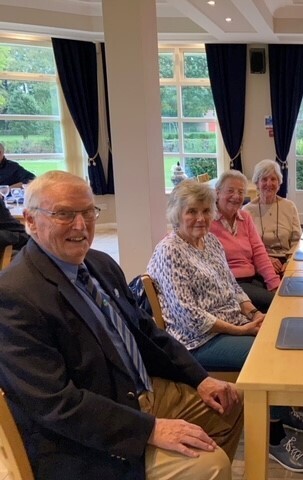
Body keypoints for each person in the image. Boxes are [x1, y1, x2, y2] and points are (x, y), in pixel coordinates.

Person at [0, 171, 243, 480]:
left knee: (230, 403)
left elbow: (146, 332)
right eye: (64, 214)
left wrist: (201, 379)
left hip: (141, 391)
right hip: (89, 431)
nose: (80, 225)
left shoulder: (100, 263)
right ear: (30, 221)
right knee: (210, 465)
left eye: (88, 212)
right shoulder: (14, 295)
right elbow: (56, 404)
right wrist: (150, 429)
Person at [147, 180, 303, 473]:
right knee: (269, 355)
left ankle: (282, 409)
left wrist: (254, 313)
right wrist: (243, 330)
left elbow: (232, 287)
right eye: (191, 211)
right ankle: (274, 436)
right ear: (176, 214)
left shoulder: (210, 241)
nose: (200, 218)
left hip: (230, 323)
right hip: (197, 341)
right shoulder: (170, 251)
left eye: (205, 211)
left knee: (283, 333)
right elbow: (190, 318)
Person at [210, 169, 280, 312]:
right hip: (229, 284)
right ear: (217, 192)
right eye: (230, 191)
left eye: (241, 192)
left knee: (287, 293)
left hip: (251, 278)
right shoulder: (207, 221)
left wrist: (274, 283)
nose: (236, 196)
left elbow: (259, 252)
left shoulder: (245, 217)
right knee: (278, 305)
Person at [243, 159, 302, 276]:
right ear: (257, 183)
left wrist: (289, 261)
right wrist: (266, 260)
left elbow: (297, 240)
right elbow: (245, 246)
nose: (269, 184)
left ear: (279, 183)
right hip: (259, 262)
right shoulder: (247, 211)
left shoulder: (289, 206)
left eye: (273, 179)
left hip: (286, 259)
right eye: (264, 179)